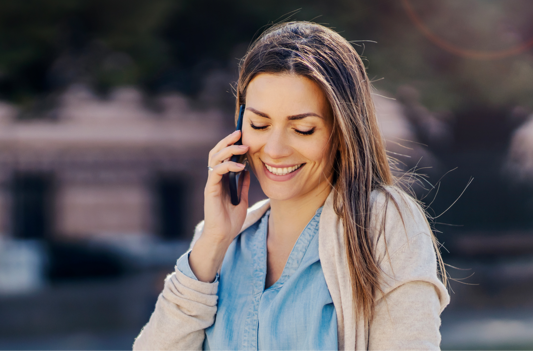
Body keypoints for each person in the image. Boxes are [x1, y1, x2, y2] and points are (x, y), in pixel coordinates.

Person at [134, 21, 449, 351]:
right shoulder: (218, 240)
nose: (274, 149)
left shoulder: (382, 222)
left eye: (303, 129)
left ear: (342, 132)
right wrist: (212, 243)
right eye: (259, 124)